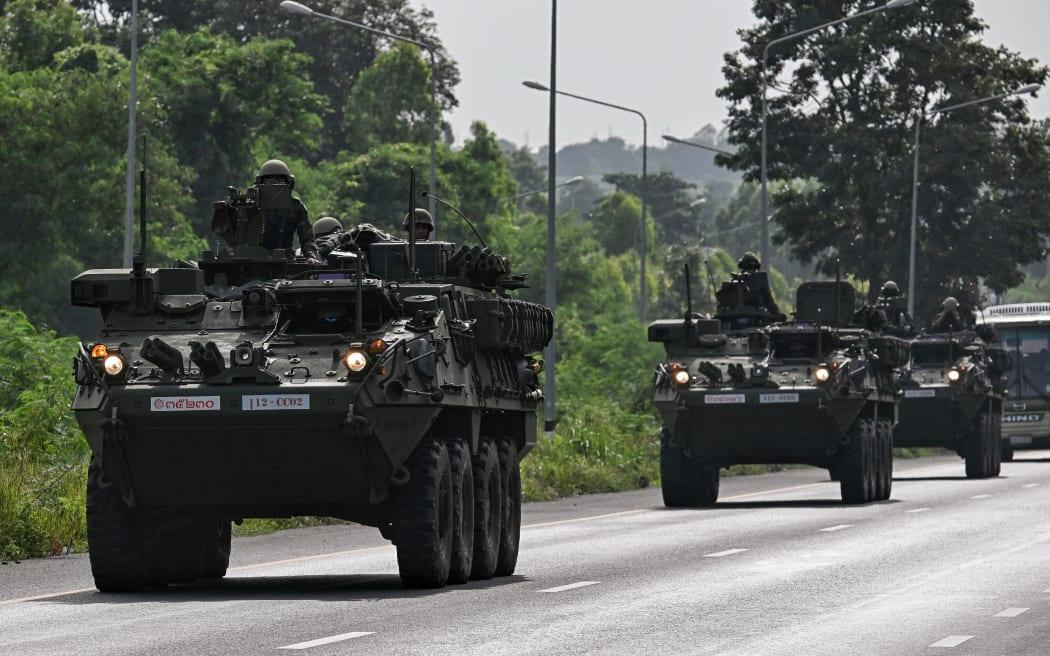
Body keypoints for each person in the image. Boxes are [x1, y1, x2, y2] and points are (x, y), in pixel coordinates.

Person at [255, 159, 320, 262]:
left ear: (289, 183)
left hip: (286, 260)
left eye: (279, 180)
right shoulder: (252, 205)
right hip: (255, 261)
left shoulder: (296, 206)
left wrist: (311, 256)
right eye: (268, 181)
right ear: (260, 183)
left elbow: (307, 238)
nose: (274, 185)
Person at [737, 252, 785, 321]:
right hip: (755, 318)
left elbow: (769, 301)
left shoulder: (758, 279)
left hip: (758, 316)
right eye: (749, 267)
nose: (751, 270)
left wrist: (778, 315)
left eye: (752, 267)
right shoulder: (737, 282)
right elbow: (769, 301)